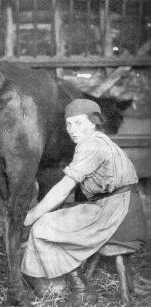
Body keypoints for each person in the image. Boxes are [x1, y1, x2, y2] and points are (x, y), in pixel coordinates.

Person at [21, 99, 147, 307]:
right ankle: (50, 283)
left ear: (93, 122)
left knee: (44, 224)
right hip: (120, 208)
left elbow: (64, 188)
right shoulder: (98, 141)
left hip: (118, 214)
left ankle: (81, 291)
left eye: (78, 123)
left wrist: (30, 215)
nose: (72, 130)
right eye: (69, 124)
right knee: (54, 219)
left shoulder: (92, 145)